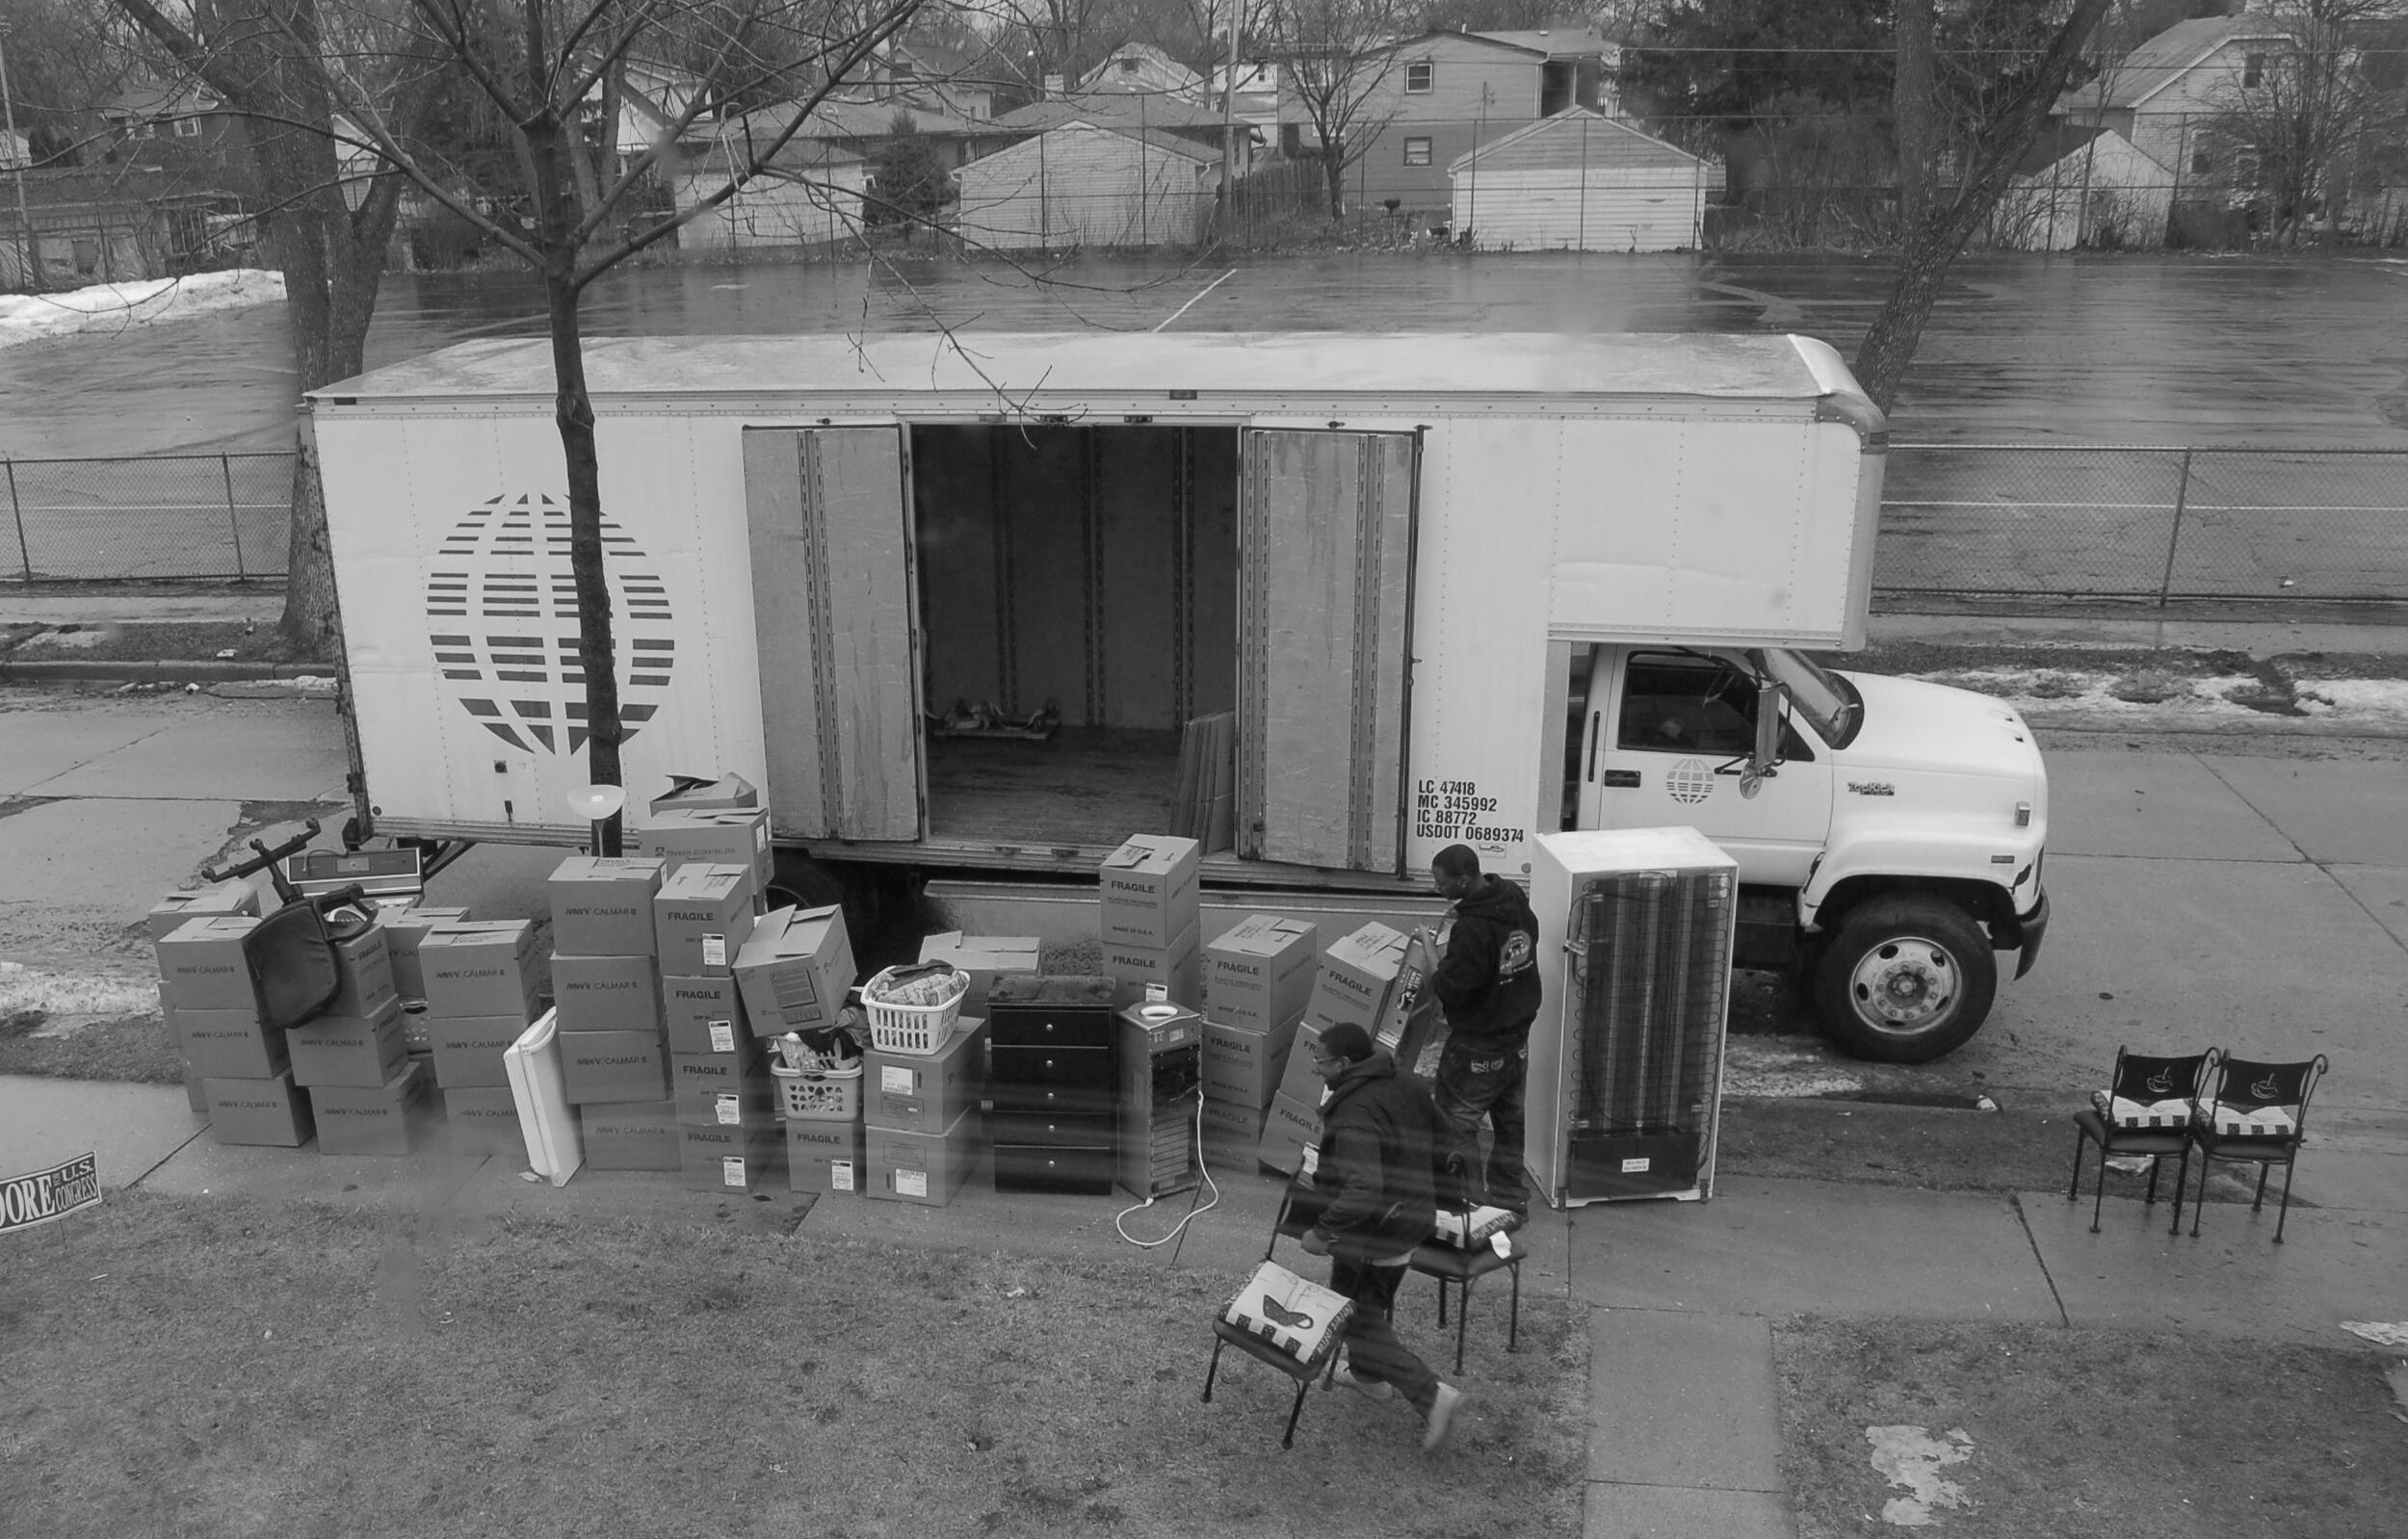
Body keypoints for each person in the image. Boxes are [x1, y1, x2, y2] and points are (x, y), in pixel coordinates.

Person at [1296, 1022, 1469, 1452]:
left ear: (1345, 1063)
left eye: (1321, 1061)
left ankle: (1433, 1397)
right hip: (1411, 1218)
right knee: (1366, 1304)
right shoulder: (1406, 1081)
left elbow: (1363, 1189)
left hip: (1374, 1232)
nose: (1317, 1069)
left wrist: (1321, 1232)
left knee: (1353, 1316)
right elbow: (1447, 1138)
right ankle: (1368, 1378)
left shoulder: (1355, 1113)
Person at [1427, 843, 1541, 1216]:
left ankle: (1470, 1209)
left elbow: (1453, 987)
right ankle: (1510, 1198)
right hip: (1517, 1037)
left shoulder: (1473, 929)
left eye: (1442, 883)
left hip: (1480, 1043)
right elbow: (1530, 938)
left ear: (1463, 879)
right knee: (1510, 1120)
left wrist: (1430, 949)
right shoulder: (1510, 896)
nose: (1438, 889)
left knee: (1457, 1123)